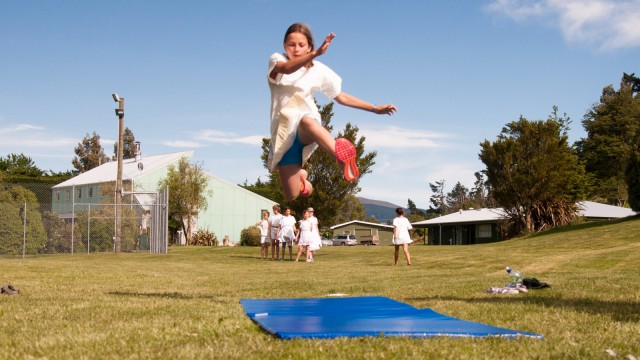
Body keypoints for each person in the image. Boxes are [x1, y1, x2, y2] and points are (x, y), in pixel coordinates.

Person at [267, 23, 397, 201]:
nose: (296, 49)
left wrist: (374, 108)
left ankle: (341, 157)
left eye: (301, 45)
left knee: (306, 121)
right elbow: (287, 69)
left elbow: (340, 97)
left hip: (307, 126)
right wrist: (315, 54)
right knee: (292, 195)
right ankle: (303, 179)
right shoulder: (276, 60)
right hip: (283, 133)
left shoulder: (318, 70)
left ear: (309, 46)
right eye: (291, 44)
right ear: (284, 46)